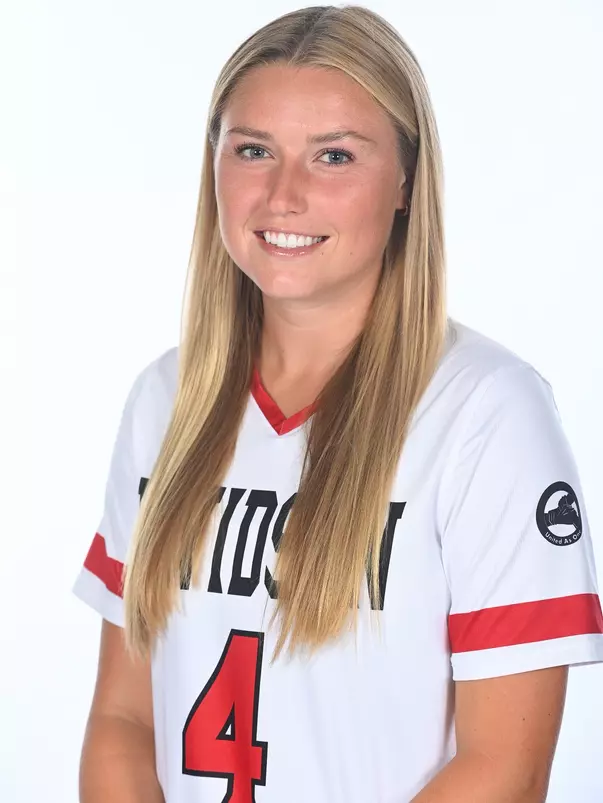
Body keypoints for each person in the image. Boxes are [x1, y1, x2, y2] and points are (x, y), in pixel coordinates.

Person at [72, 5, 603, 802]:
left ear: (404, 183)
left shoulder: (486, 413)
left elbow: (503, 768)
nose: (283, 195)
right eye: (253, 150)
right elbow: (124, 720)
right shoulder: (165, 400)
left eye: (333, 156)